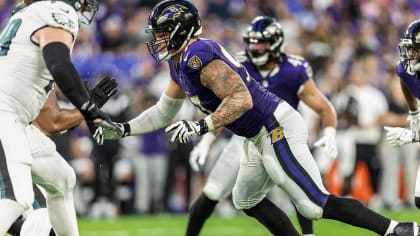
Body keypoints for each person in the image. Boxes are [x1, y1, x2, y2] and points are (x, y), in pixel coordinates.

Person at [99, 0, 419, 235]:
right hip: (254, 135)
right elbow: (163, 111)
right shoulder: (179, 61)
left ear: (181, 30)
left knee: (312, 204)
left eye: (162, 32)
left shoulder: (199, 55)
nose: (156, 39)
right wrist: (124, 129)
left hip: (273, 126)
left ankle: (397, 229)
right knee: (246, 198)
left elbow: (241, 98)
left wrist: (202, 126)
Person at [185, 16, 338, 236]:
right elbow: (223, 108)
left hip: (280, 134)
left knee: (299, 189)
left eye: (261, 43)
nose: (254, 48)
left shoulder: (294, 69)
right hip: (244, 138)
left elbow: (323, 106)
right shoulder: (238, 64)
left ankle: (308, 234)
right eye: (252, 42)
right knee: (213, 191)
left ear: (275, 43)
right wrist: (207, 141)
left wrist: (330, 132)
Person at [0, 0, 119, 235]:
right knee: (19, 198)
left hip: (16, 119)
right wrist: (88, 108)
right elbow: (60, 63)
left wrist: (88, 106)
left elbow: (51, 121)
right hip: (5, 114)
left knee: (62, 179)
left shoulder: (27, 22)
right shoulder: (56, 11)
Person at [5, 76, 118, 236]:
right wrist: (88, 108)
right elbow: (52, 123)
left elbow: (46, 124)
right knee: (22, 204)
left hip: (17, 137)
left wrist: (84, 112)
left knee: (59, 184)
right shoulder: (32, 64)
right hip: (10, 139)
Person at [383, 19, 420, 210]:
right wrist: (414, 112)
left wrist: (411, 136)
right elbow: (404, 78)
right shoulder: (405, 69)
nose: (410, 53)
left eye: (415, 48)